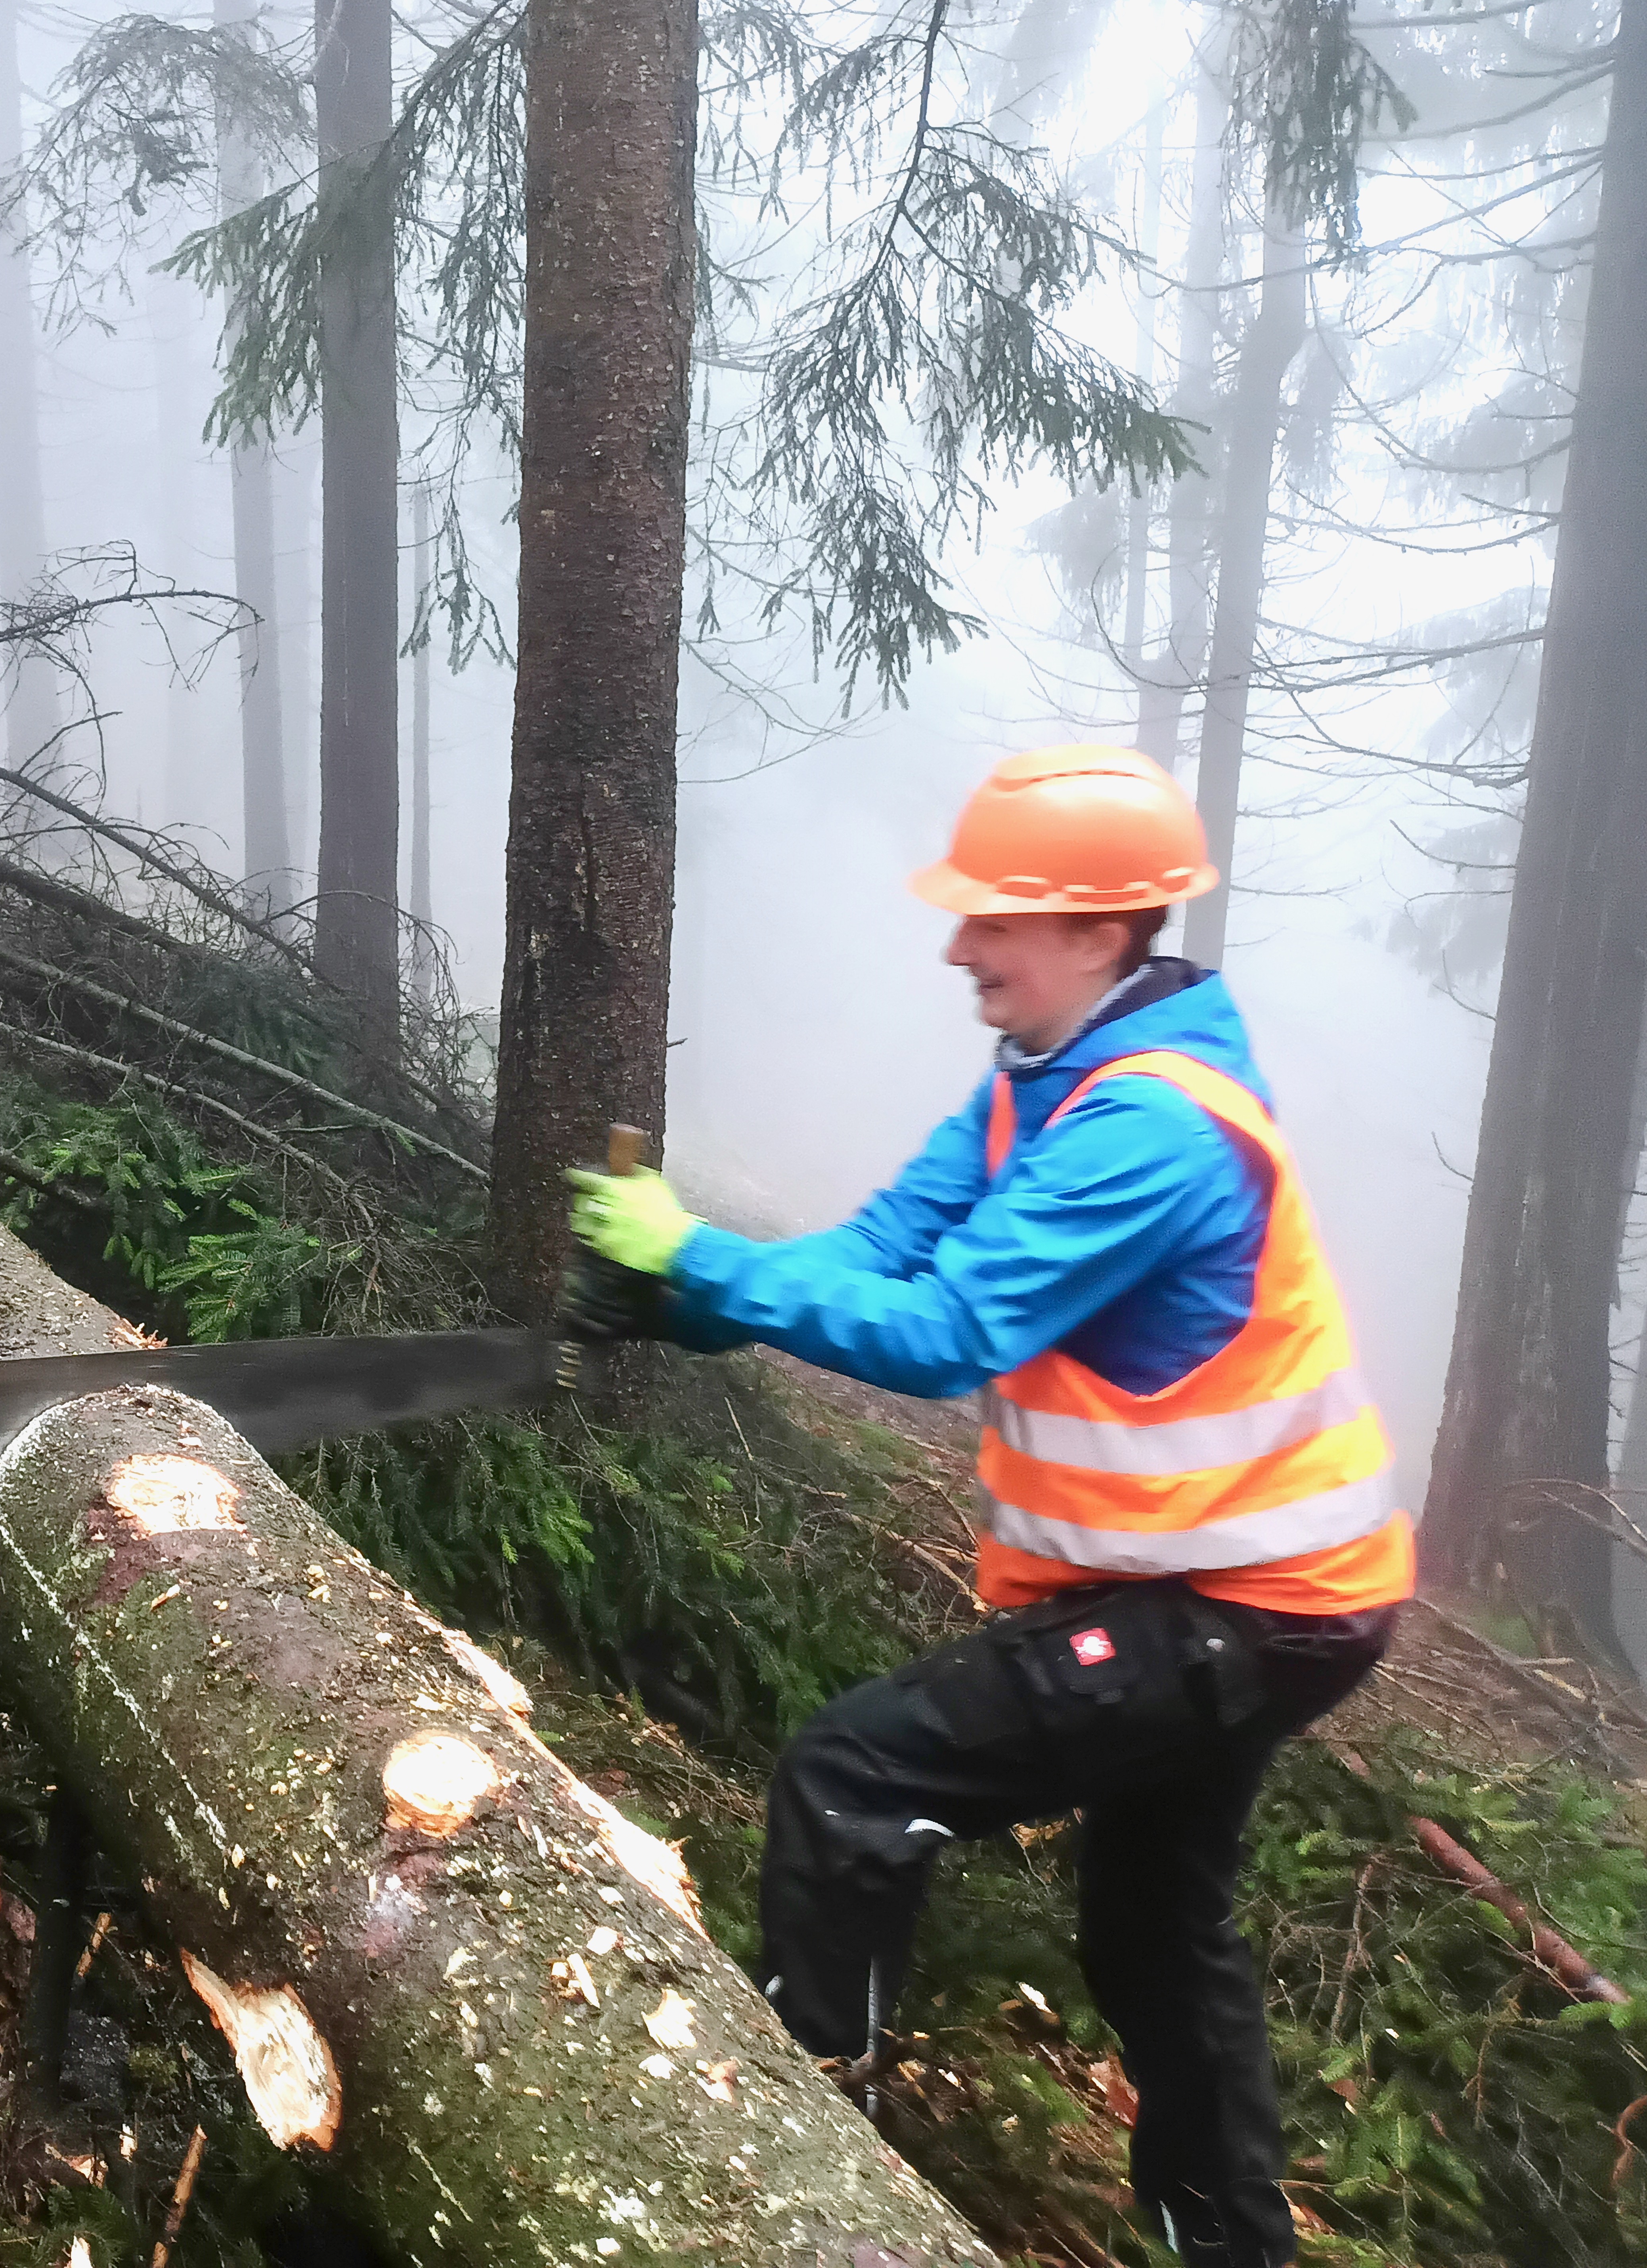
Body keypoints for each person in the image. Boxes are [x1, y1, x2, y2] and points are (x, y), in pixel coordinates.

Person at [565, 745, 1409, 2268]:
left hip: (1252, 1606)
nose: (958, 948)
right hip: (1242, 1592)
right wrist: (705, 1305)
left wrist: (699, 1261)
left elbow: (947, 1331)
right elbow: (887, 1248)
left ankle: (800, 2189)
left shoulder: (1149, 1128)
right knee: (1153, 1927)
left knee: (856, 1776)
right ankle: (1233, 2247)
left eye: (993, 921)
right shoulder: (1047, 1083)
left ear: (1101, 930)